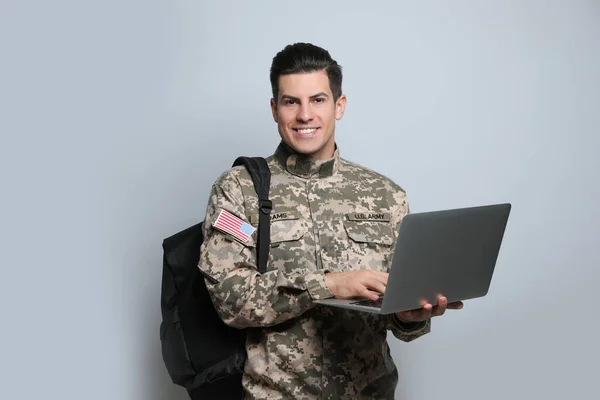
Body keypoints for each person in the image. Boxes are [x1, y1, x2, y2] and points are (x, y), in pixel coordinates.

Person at [198, 42, 463, 400]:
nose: (305, 115)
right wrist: (328, 284)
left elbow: (396, 312)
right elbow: (231, 298)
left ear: (339, 106)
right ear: (275, 109)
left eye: (318, 100)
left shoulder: (385, 196)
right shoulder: (239, 190)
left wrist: (412, 316)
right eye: (291, 102)